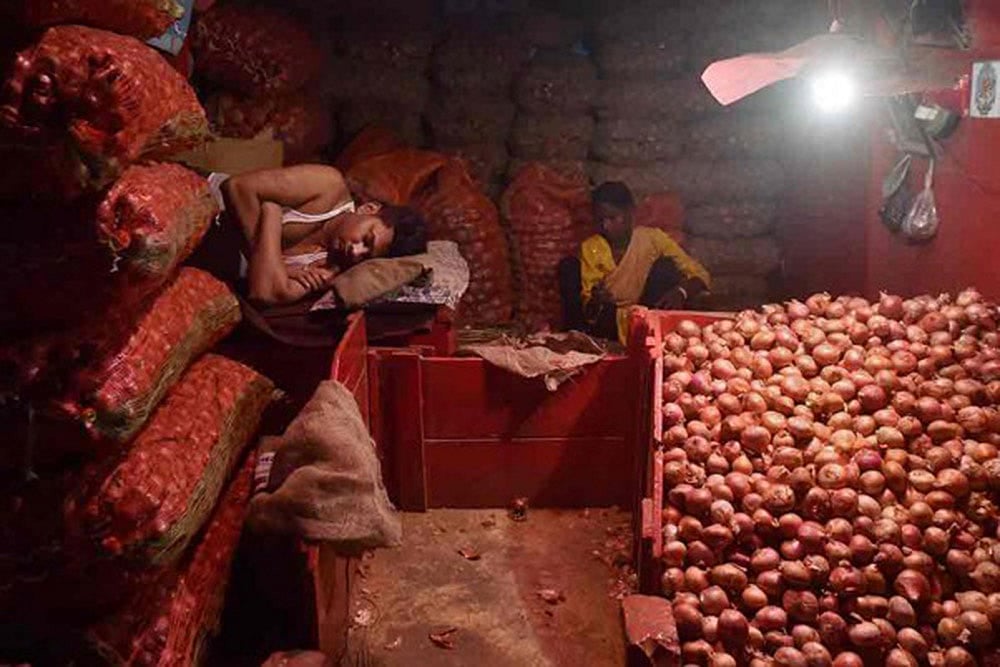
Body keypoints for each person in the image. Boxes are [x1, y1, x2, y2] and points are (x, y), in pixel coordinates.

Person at [195, 164, 428, 306]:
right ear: (369, 209)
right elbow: (238, 187)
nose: (355, 252)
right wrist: (278, 266)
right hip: (193, 198)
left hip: (200, 258)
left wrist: (271, 214)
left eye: (366, 256)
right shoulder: (328, 186)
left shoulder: (326, 271)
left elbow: (264, 293)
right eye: (366, 239)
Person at [559, 181, 710, 343]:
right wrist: (596, 300)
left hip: (646, 314)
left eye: (612, 218)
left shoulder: (652, 239)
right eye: (600, 220)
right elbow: (588, 303)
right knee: (568, 267)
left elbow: (699, 274)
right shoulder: (592, 247)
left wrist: (680, 292)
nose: (605, 226)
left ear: (630, 212)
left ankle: (654, 337)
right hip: (610, 322)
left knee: (667, 267)